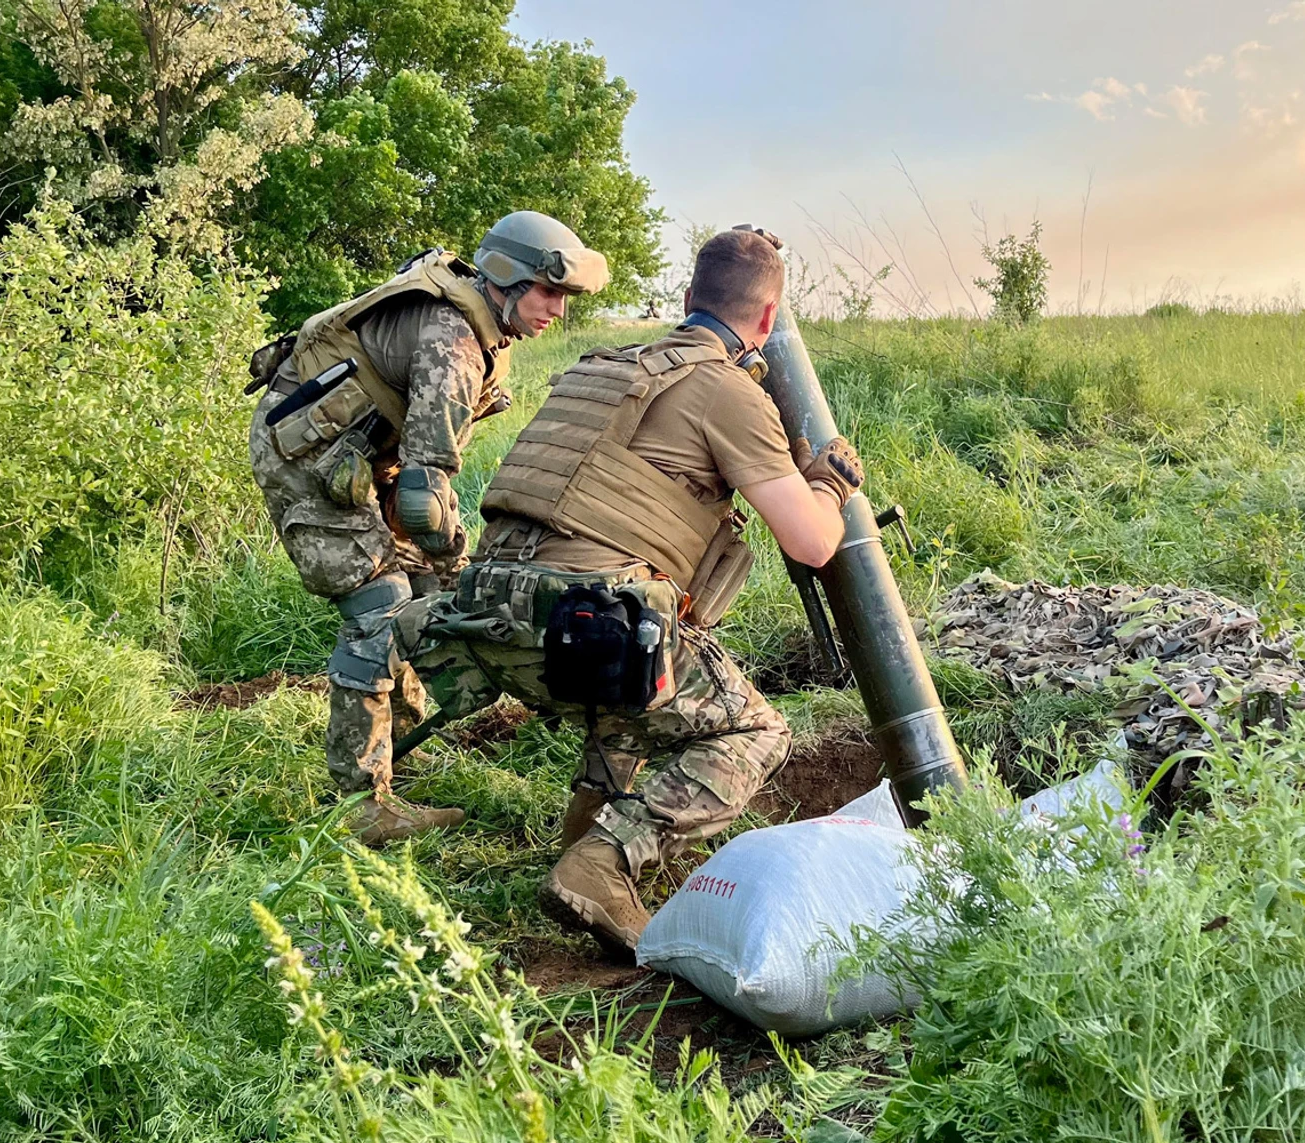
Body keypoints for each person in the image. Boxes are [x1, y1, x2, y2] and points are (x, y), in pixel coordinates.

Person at [400, 225, 866, 953]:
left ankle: (583, 836)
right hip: (579, 623)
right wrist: (830, 480)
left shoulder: (604, 365)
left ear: (686, 301)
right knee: (756, 729)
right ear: (768, 320)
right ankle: (604, 861)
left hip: (483, 611)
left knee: (641, 663)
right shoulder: (725, 391)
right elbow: (809, 540)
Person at [246, 211, 608, 846]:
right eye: (549, 292)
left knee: (416, 593)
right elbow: (424, 502)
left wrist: (437, 573)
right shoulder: (455, 345)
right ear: (506, 278)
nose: (558, 309)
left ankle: (400, 748)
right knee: (380, 610)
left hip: (359, 460)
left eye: (565, 296)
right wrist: (461, 567)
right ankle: (361, 803)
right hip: (305, 461)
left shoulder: (475, 322)